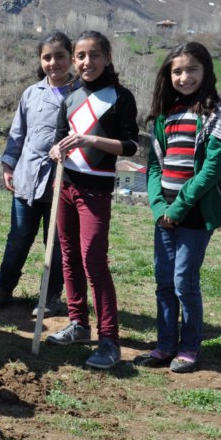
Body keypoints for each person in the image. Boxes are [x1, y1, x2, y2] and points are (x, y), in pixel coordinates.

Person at [134, 42, 221, 373]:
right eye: (177, 71)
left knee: (183, 282)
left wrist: (177, 208)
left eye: (191, 69)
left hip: (194, 215)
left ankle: (190, 346)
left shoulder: (218, 117)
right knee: (163, 280)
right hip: (164, 215)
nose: (184, 76)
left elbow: (211, 170)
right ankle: (165, 345)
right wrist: (157, 206)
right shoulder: (165, 117)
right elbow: (153, 167)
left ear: (206, 71)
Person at [46, 30, 139, 370]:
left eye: (94, 55)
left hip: (96, 191)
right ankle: (78, 323)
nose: (87, 62)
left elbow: (130, 145)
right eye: (81, 56)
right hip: (65, 187)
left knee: (93, 260)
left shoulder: (120, 96)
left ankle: (110, 340)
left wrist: (90, 139)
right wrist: (56, 149)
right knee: (68, 256)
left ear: (107, 57)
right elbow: (57, 140)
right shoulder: (69, 95)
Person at [0, 31, 74, 317]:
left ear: (70, 57)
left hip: (62, 182)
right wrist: (9, 165)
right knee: (18, 238)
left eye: (60, 56)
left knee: (55, 244)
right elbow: (17, 134)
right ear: (40, 60)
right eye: (47, 57)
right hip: (27, 178)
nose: (53, 62)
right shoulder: (31, 93)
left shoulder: (81, 94)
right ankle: (2, 289)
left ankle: (51, 296)